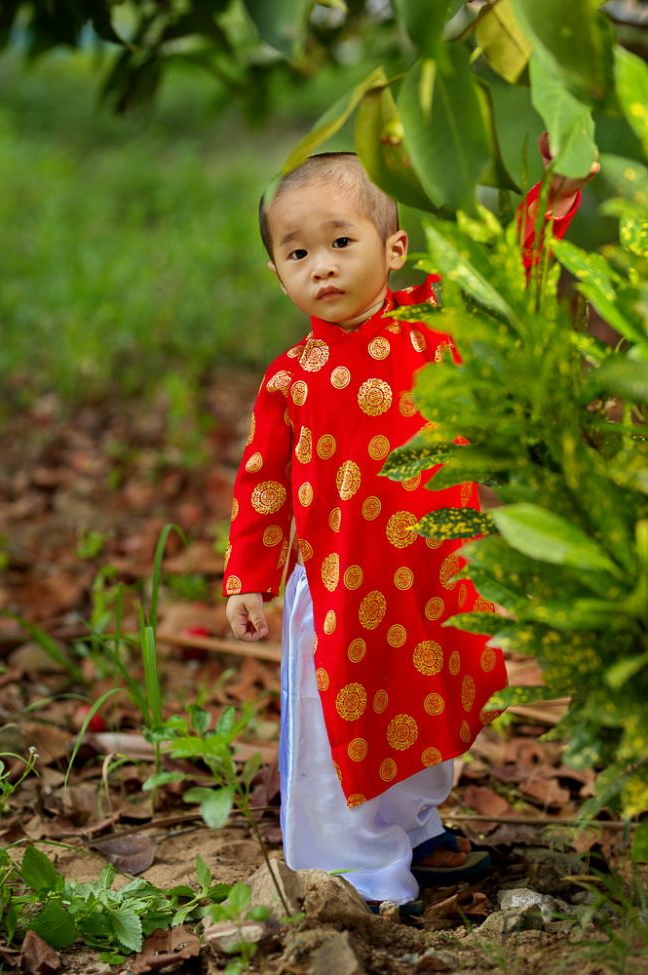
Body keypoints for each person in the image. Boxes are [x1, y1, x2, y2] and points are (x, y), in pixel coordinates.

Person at [222, 140, 598, 908]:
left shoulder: (433, 326)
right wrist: (249, 578)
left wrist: (551, 193)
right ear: (277, 273)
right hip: (336, 589)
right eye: (297, 252)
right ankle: (358, 866)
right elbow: (264, 485)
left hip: (428, 576)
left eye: (339, 242)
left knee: (424, 701)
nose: (320, 265)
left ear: (392, 248)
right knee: (336, 733)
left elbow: (504, 278)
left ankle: (415, 824)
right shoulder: (291, 378)